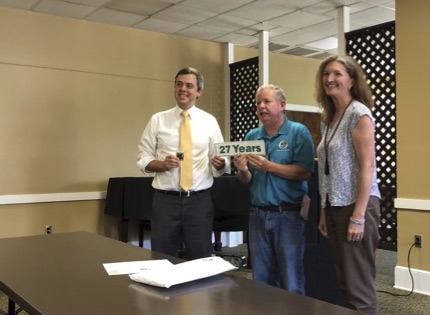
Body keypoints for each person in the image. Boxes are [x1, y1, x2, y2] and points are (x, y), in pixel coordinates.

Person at [137, 67, 229, 260]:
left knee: (201, 259)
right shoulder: (158, 120)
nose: (183, 89)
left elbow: (222, 159)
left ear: (199, 92)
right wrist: (161, 164)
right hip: (165, 201)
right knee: (162, 259)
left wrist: (221, 164)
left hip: (199, 202)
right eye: (179, 84)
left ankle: (200, 293)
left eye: (189, 85)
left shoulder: (209, 121)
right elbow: (142, 157)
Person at [233, 84, 315, 294]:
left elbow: (304, 172)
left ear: (282, 105)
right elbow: (246, 179)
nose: (261, 106)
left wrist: (269, 166)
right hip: (258, 215)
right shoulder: (251, 136)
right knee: (260, 279)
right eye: (258, 103)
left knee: (291, 279)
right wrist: (242, 169)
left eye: (266, 101)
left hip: (288, 216)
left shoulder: (298, 132)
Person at [315, 55, 381, 315]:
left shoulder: (358, 113)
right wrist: (323, 210)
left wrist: (358, 216)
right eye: (326, 74)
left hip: (356, 206)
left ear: (352, 80)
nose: (330, 79)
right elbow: (327, 171)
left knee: (359, 287)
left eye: (337, 74)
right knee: (344, 282)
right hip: (334, 206)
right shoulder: (328, 118)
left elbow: (368, 167)